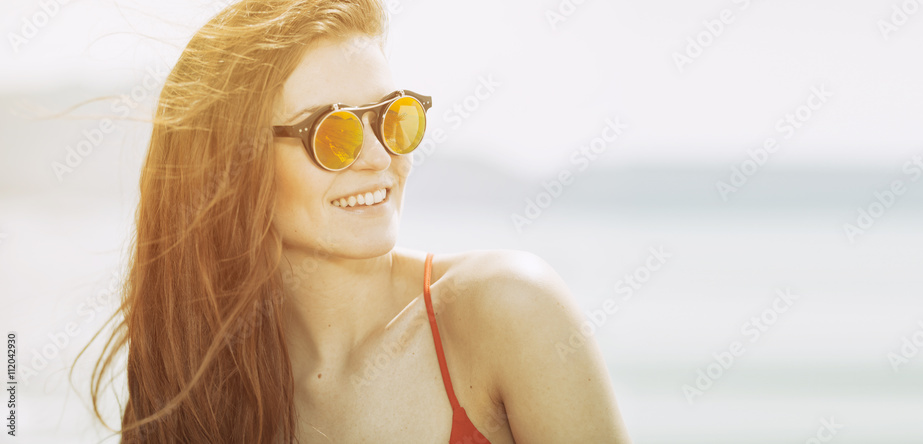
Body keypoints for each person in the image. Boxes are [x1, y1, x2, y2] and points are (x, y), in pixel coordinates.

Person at [76, 0, 630, 442]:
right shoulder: (201, 386)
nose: (377, 158)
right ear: (233, 166)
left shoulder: (508, 309)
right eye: (332, 132)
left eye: (393, 118)